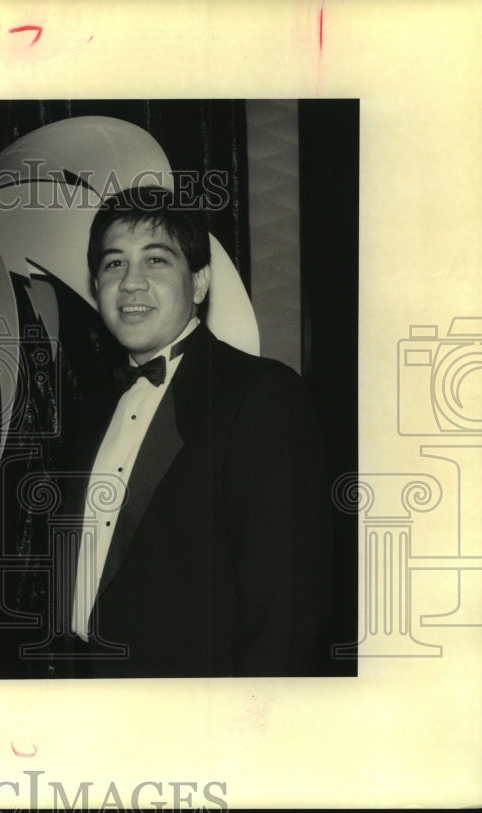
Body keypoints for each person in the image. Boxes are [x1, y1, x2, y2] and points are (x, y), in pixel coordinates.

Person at [65, 186, 333, 677]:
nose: (131, 284)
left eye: (156, 261)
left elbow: (284, 606)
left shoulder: (261, 394)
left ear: (201, 282)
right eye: (114, 264)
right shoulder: (90, 408)